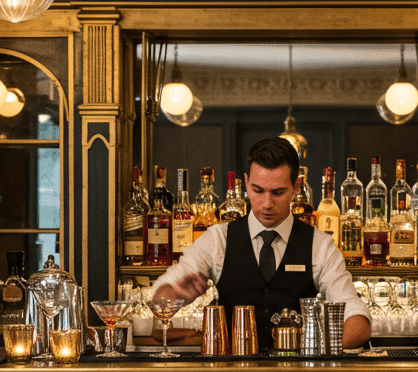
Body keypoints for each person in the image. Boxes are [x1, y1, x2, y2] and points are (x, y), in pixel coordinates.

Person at [149, 137, 371, 350]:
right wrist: (176, 294)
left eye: (278, 192)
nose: (266, 203)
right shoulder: (218, 239)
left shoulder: (319, 246)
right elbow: (159, 299)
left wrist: (313, 347)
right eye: (257, 190)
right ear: (246, 182)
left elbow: (356, 317)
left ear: (296, 187)